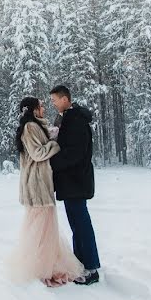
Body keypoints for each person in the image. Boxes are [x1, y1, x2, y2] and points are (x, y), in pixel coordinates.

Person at [7, 96, 83, 287]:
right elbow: (38, 153)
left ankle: (43, 265)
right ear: (33, 110)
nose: (43, 108)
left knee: (45, 228)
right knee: (40, 230)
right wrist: (55, 144)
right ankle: (40, 267)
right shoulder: (30, 127)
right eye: (40, 106)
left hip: (40, 184)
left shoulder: (36, 126)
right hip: (36, 186)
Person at [49, 85, 101, 285]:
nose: (53, 104)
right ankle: (82, 264)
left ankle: (91, 268)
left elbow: (75, 152)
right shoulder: (69, 119)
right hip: (73, 181)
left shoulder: (75, 120)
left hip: (76, 180)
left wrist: (52, 162)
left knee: (81, 225)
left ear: (64, 99)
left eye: (54, 100)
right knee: (77, 225)